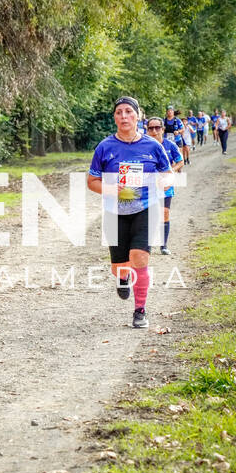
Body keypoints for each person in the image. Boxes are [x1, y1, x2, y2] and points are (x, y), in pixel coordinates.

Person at [88, 96, 172, 329]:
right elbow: (92, 181)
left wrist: (163, 182)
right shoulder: (105, 147)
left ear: (138, 116)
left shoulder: (153, 146)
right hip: (114, 212)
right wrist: (111, 189)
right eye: (119, 112)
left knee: (140, 257)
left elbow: (168, 174)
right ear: (114, 118)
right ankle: (122, 277)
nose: (124, 116)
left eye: (128, 111)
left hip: (146, 208)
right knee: (120, 266)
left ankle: (140, 311)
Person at [146, 117, 184, 255]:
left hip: (165, 185)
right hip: (148, 186)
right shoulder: (143, 146)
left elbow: (180, 162)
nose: (154, 131)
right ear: (147, 130)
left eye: (157, 128)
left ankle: (163, 245)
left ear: (162, 129)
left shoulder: (170, 145)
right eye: (151, 128)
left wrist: (170, 172)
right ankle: (147, 245)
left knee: (164, 213)